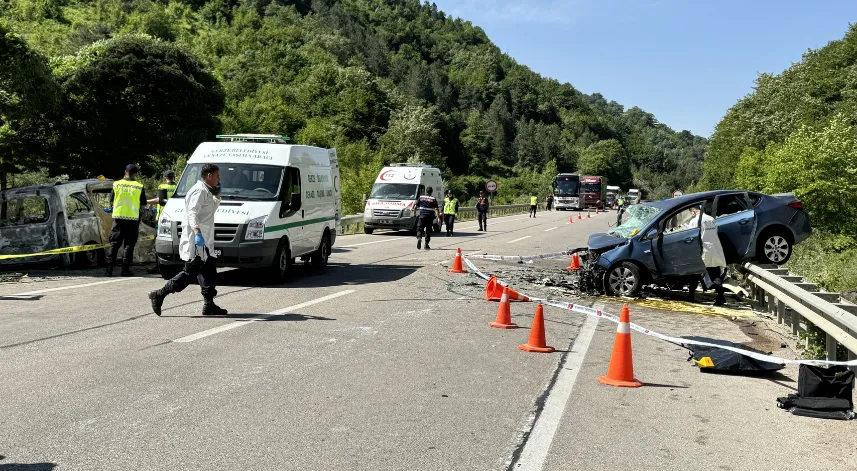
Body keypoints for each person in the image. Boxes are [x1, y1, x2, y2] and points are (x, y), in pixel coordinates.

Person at [148, 163, 228, 316]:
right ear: (209, 176)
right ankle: (159, 294)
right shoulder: (198, 191)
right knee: (190, 272)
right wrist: (197, 233)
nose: (219, 179)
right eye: (217, 176)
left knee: (209, 271)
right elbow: (192, 214)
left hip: (205, 240)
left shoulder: (207, 191)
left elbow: (210, 211)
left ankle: (209, 304)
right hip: (196, 240)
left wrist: (217, 196)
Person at [105, 164, 148, 277]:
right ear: (135, 174)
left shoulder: (116, 184)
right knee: (129, 245)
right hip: (133, 219)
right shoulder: (139, 186)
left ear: (125, 172)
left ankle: (109, 269)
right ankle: (125, 269)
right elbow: (143, 204)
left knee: (114, 243)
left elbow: (111, 199)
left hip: (118, 218)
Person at [684, 204, 728, 306]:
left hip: (703, 250)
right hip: (715, 249)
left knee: (695, 273)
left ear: (693, 212)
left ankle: (691, 296)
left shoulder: (694, 221)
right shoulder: (711, 218)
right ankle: (720, 296)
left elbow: (690, 237)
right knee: (715, 274)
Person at [146, 169, 178, 274]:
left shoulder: (162, 187)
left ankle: (158, 265)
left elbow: (159, 200)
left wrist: (147, 202)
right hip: (175, 216)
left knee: (158, 241)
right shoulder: (178, 187)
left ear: (164, 178)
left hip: (162, 218)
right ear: (174, 177)